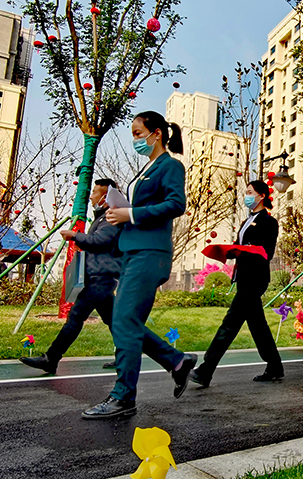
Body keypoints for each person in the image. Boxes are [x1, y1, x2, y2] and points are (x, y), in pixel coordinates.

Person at [82, 111, 196, 419]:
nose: (134, 139)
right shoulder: (145, 169)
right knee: (124, 320)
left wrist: (130, 214)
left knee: (123, 321)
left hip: (151, 253)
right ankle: (177, 361)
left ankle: (124, 396)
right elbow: (138, 207)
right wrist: (118, 210)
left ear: (156, 133)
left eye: (137, 133)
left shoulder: (170, 165)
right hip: (133, 251)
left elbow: (176, 204)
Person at [20, 179, 122, 374]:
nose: (91, 196)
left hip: (100, 278)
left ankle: (51, 358)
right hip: (101, 277)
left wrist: (74, 236)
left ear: (105, 198)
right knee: (115, 320)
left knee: (75, 317)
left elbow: (100, 241)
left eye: (94, 192)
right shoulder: (103, 218)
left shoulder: (110, 218)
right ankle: (127, 356)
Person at [190, 181, 284, 387]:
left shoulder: (269, 222)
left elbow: (266, 251)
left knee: (230, 324)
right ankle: (275, 366)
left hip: (255, 279)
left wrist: (246, 249)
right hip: (243, 278)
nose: (246, 196)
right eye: (246, 192)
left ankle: (206, 370)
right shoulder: (245, 222)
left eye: (250, 192)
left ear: (261, 196)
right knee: (258, 326)